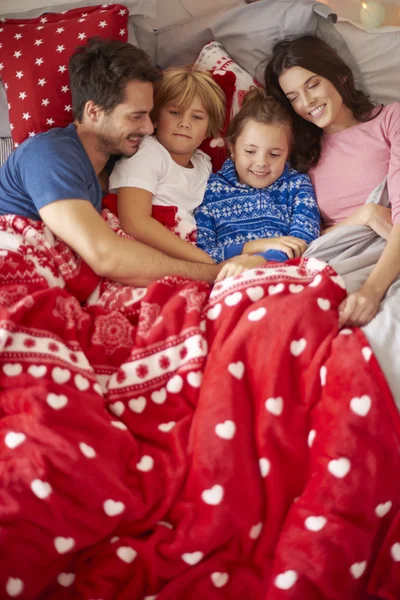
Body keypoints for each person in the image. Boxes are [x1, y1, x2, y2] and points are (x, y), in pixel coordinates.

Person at [0, 38, 259, 287]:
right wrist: (214, 271)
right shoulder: (49, 155)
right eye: (136, 116)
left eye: (149, 114)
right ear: (93, 111)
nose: (148, 128)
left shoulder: (119, 159)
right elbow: (105, 255)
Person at [264, 34, 399, 327]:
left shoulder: (390, 120)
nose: (307, 102)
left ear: (340, 77)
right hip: (330, 260)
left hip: (387, 261)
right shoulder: (299, 157)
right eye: (294, 97)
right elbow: (304, 236)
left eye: (312, 85)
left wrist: (371, 292)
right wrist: (366, 214)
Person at [194, 87, 320, 279]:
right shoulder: (211, 188)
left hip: (286, 275)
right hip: (228, 279)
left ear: (287, 154)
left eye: (275, 154)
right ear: (232, 148)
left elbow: (304, 240)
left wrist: (260, 261)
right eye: (250, 151)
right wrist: (249, 251)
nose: (261, 162)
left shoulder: (297, 185)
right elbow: (203, 252)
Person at [110, 65, 224, 265]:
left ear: (208, 129)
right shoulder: (149, 154)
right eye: (175, 112)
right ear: (154, 118)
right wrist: (204, 260)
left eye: (197, 117)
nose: (185, 123)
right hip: (139, 248)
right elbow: (134, 222)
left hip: (186, 248)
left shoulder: (204, 164)